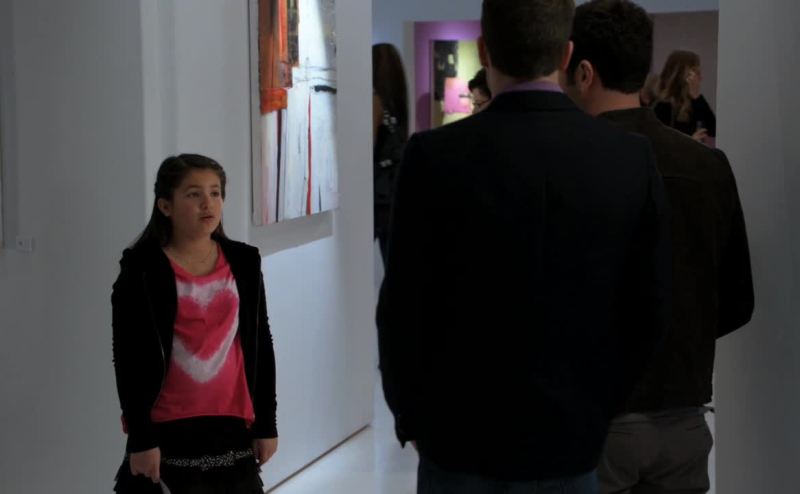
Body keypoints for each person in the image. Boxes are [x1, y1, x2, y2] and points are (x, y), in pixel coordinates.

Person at [377, 0, 671, 492]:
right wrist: (598, 413)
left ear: (483, 49)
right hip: (570, 445)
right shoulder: (628, 158)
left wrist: (415, 420)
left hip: (458, 444)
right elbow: (650, 310)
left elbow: (402, 309)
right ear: (567, 54)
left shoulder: (433, 156)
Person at [562, 1, 754, 492]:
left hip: (595, 418)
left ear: (583, 72)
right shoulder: (708, 167)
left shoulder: (566, 165)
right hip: (683, 417)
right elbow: (738, 301)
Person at [112, 154, 278, 494]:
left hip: (232, 423)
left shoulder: (244, 261)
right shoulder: (142, 268)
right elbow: (128, 358)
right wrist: (141, 437)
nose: (208, 203)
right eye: (193, 194)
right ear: (165, 206)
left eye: (215, 193)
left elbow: (261, 345)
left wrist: (267, 423)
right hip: (167, 427)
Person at [373, 43, 410, 263]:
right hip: (394, 190)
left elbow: (366, 148)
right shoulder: (397, 107)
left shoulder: (375, 102)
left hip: (378, 193)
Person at [654, 49, 716, 145]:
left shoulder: (694, 102)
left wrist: (697, 96)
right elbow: (661, 145)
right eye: (697, 73)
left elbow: (713, 130)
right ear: (685, 76)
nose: (701, 77)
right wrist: (689, 142)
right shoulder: (663, 106)